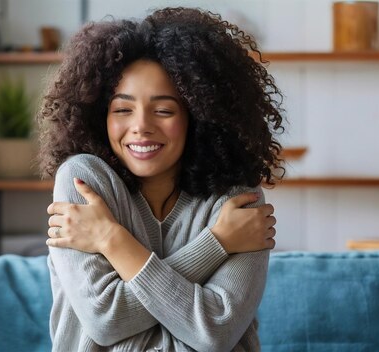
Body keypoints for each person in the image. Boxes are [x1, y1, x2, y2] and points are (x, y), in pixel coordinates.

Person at [37, 7, 284, 352]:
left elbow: (215, 334)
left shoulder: (237, 198)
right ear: (100, 115)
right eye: (122, 109)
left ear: (197, 116)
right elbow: (105, 319)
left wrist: (110, 238)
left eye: (164, 110)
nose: (140, 126)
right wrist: (216, 244)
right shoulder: (83, 182)